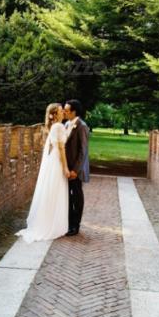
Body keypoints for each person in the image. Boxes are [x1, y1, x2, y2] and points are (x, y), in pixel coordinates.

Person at [14, 103, 74, 243]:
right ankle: (52, 224)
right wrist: (65, 167)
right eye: (60, 111)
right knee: (55, 191)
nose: (63, 112)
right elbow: (60, 148)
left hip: (52, 161)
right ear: (55, 114)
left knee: (52, 190)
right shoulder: (58, 126)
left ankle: (48, 220)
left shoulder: (56, 126)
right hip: (57, 162)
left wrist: (70, 127)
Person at [63, 99, 88, 236]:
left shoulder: (81, 126)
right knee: (67, 197)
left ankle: (75, 225)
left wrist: (75, 170)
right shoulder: (66, 124)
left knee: (76, 197)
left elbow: (83, 151)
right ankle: (67, 223)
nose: (64, 112)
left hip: (75, 171)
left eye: (66, 110)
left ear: (74, 111)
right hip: (66, 169)